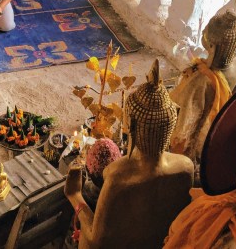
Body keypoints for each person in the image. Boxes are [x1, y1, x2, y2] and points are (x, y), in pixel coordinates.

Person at [64, 60, 193, 248]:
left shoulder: (119, 179)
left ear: (130, 124)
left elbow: (95, 240)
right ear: (173, 119)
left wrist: (74, 195)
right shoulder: (185, 167)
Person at [169, 12, 236, 169]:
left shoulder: (202, 80)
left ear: (213, 46)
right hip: (216, 132)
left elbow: (186, 120)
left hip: (198, 135)